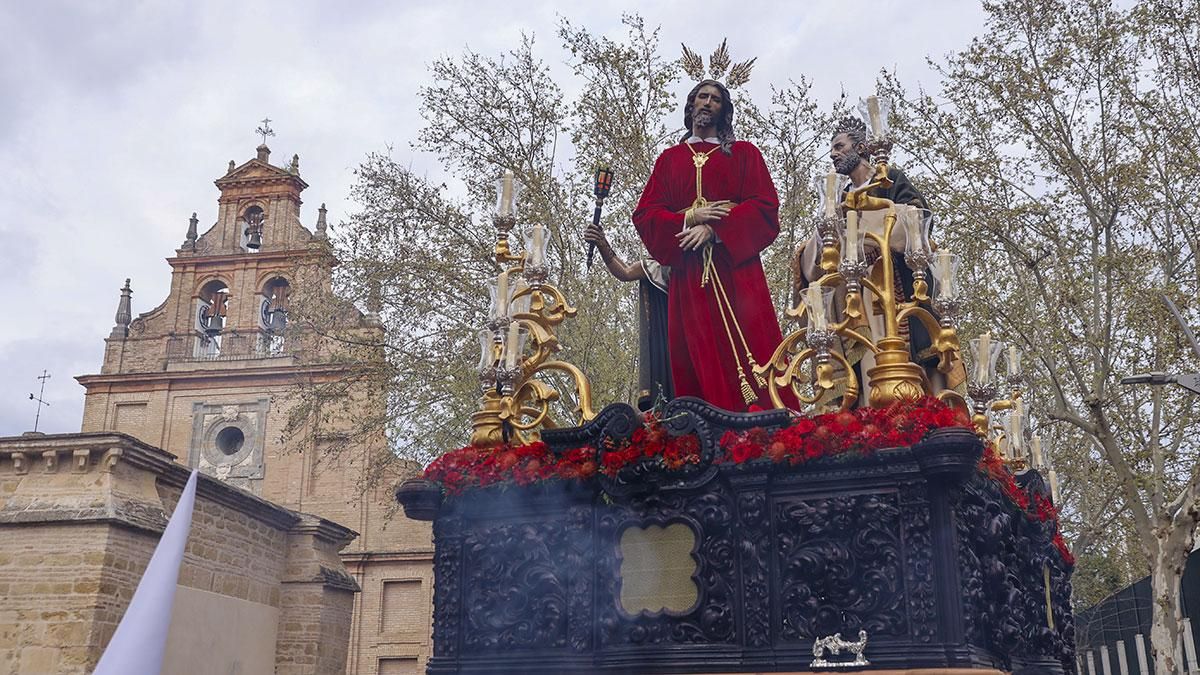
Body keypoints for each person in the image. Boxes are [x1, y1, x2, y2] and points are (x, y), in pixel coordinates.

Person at [632, 79, 789, 411]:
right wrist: (690, 217)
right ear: (690, 106)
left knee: (752, 341)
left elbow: (765, 208)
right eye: (701, 97)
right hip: (689, 277)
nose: (707, 103)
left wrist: (715, 229)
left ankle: (765, 421)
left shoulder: (744, 154)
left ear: (724, 110)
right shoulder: (669, 160)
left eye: (715, 99)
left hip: (737, 273)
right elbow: (646, 215)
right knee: (696, 350)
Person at [583, 224, 673, 410]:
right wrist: (602, 243)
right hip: (666, 336)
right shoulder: (655, 266)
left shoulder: (699, 260)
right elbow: (624, 272)